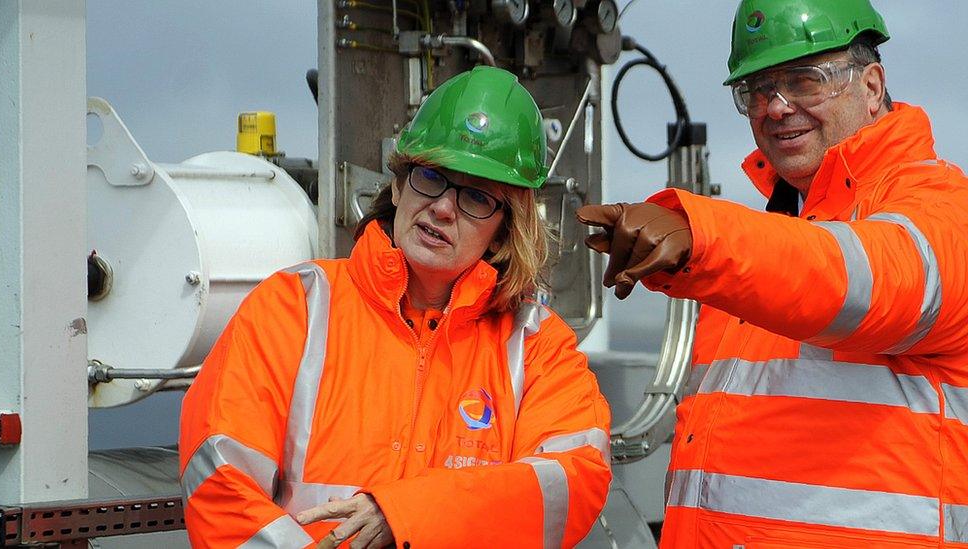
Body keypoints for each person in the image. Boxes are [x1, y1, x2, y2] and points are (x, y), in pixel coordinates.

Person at [577, 0, 968, 546]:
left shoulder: (942, 210)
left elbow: (864, 279)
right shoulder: (771, 243)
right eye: (756, 90)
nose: (776, 107)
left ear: (873, 85)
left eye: (804, 81)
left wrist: (703, 237)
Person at [179, 65, 611, 549]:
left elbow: (572, 481)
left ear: (507, 226)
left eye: (476, 197)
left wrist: (406, 515)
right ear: (400, 185)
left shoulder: (538, 348)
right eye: (432, 177)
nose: (444, 208)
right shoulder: (294, 308)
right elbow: (219, 481)